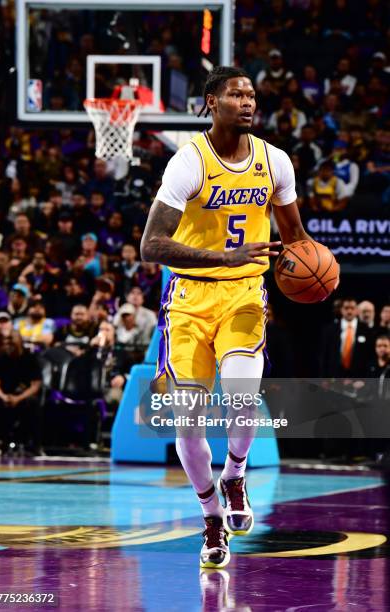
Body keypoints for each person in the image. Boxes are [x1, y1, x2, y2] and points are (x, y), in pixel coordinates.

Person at [141, 66, 310, 568]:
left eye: (251, 94)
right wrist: (223, 257)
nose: (247, 101)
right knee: (188, 427)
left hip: (244, 294)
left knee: (240, 397)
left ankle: (235, 473)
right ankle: (211, 516)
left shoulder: (275, 161)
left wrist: (310, 265)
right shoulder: (187, 164)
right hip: (189, 299)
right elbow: (151, 246)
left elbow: (295, 234)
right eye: (235, 94)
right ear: (210, 103)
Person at [0, 331, 42, 455]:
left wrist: (18, 398)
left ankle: (32, 445)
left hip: (23, 394)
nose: (8, 342)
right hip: (5, 394)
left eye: (11, 339)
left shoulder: (30, 358)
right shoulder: (1, 358)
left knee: (33, 402)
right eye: (6, 340)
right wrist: (4, 396)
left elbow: (35, 386)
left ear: (20, 341)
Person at [319, 298, 374, 378]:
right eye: (346, 308)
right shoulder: (329, 330)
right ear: (341, 310)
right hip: (334, 377)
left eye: (352, 308)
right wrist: (323, 378)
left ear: (357, 310)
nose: (349, 311)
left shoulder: (367, 331)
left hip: (358, 379)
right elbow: (324, 355)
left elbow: (369, 358)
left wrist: (364, 379)